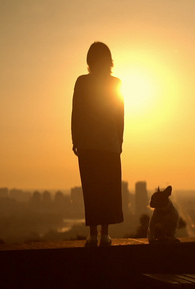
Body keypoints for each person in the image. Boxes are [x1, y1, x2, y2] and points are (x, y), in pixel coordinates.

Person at [71, 42, 124, 247]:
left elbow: (76, 112)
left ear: (89, 61)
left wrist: (75, 139)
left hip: (88, 144)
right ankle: (104, 234)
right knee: (108, 189)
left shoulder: (82, 82)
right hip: (109, 144)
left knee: (91, 188)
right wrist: (119, 140)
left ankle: (93, 235)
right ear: (109, 60)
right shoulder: (115, 82)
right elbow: (120, 114)